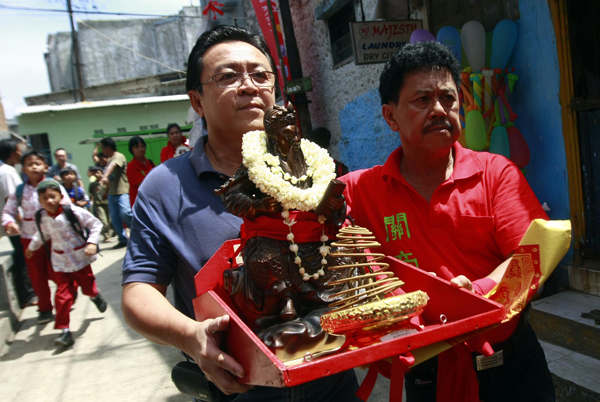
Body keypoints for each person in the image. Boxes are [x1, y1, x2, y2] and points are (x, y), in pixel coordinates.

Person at [122, 25, 360, 401]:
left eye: (261, 75)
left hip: (334, 376)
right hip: (241, 387)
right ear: (197, 102)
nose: (249, 86)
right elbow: (138, 292)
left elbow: (344, 239)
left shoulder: (313, 165)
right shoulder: (165, 185)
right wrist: (191, 336)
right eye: (228, 76)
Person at [340, 41, 554, 402]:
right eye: (422, 100)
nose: (439, 109)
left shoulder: (495, 173)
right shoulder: (360, 191)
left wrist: (477, 292)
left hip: (513, 369)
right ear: (390, 116)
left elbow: (531, 261)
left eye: (448, 98)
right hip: (429, 375)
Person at [25, 179, 107, 347]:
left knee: (87, 287)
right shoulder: (42, 217)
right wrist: (32, 247)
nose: (49, 201)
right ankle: (65, 331)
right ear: (39, 201)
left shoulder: (72, 211)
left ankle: (94, 295)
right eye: (44, 198)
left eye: (52, 196)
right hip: (60, 262)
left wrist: (92, 242)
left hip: (79, 259)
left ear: (61, 196)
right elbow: (42, 235)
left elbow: (95, 224)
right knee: (62, 296)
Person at [2, 150, 71, 324]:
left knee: (59, 272)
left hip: (54, 238)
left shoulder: (54, 186)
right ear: (23, 168)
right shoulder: (19, 191)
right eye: (29, 164)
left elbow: (67, 205)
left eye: (37, 163)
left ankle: (68, 293)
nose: (34, 167)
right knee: (37, 276)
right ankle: (45, 308)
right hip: (29, 239)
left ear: (45, 167)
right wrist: (9, 223)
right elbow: (8, 211)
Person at [0, 139, 37, 308]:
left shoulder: (7, 170)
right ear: (11, 153)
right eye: (18, 150)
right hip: (16, 225)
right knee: (23, 258)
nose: (20, 154)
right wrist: (23, 224)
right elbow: (11, 200)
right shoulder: (7, 172)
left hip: (16, 224)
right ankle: (27, 295)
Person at [99, 137, 131, 249]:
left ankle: (140, 229)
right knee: (114, 217)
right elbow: (110, 178)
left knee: (125, 212)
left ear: (108, 147)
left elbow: (112, 167)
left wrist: (104, 176)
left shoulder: (118, 156)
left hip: (122, 191)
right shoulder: (109, 159)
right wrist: (105, 191)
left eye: (102, 147)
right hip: (112, 193)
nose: (102, 150)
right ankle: (123, 240)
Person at [126, 136, 155, 207]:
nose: (140, 149)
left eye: (142, 146)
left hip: (153, 201)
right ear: (131, 150)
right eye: (137, 147)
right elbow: (143, 185)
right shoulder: (131, 166)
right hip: (140, 203)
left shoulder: (150, 163)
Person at [88, 166, 114, 242]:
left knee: (110, 220)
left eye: (98, 172)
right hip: (98, 204)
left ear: (102, 173)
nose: (96, 174)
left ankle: (112, 232)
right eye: (94, 173)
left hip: (108, 203)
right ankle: (106, 236)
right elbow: (91, 195)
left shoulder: (107, 182)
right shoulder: (93, 184)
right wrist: (90, 204)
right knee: (103, 220)